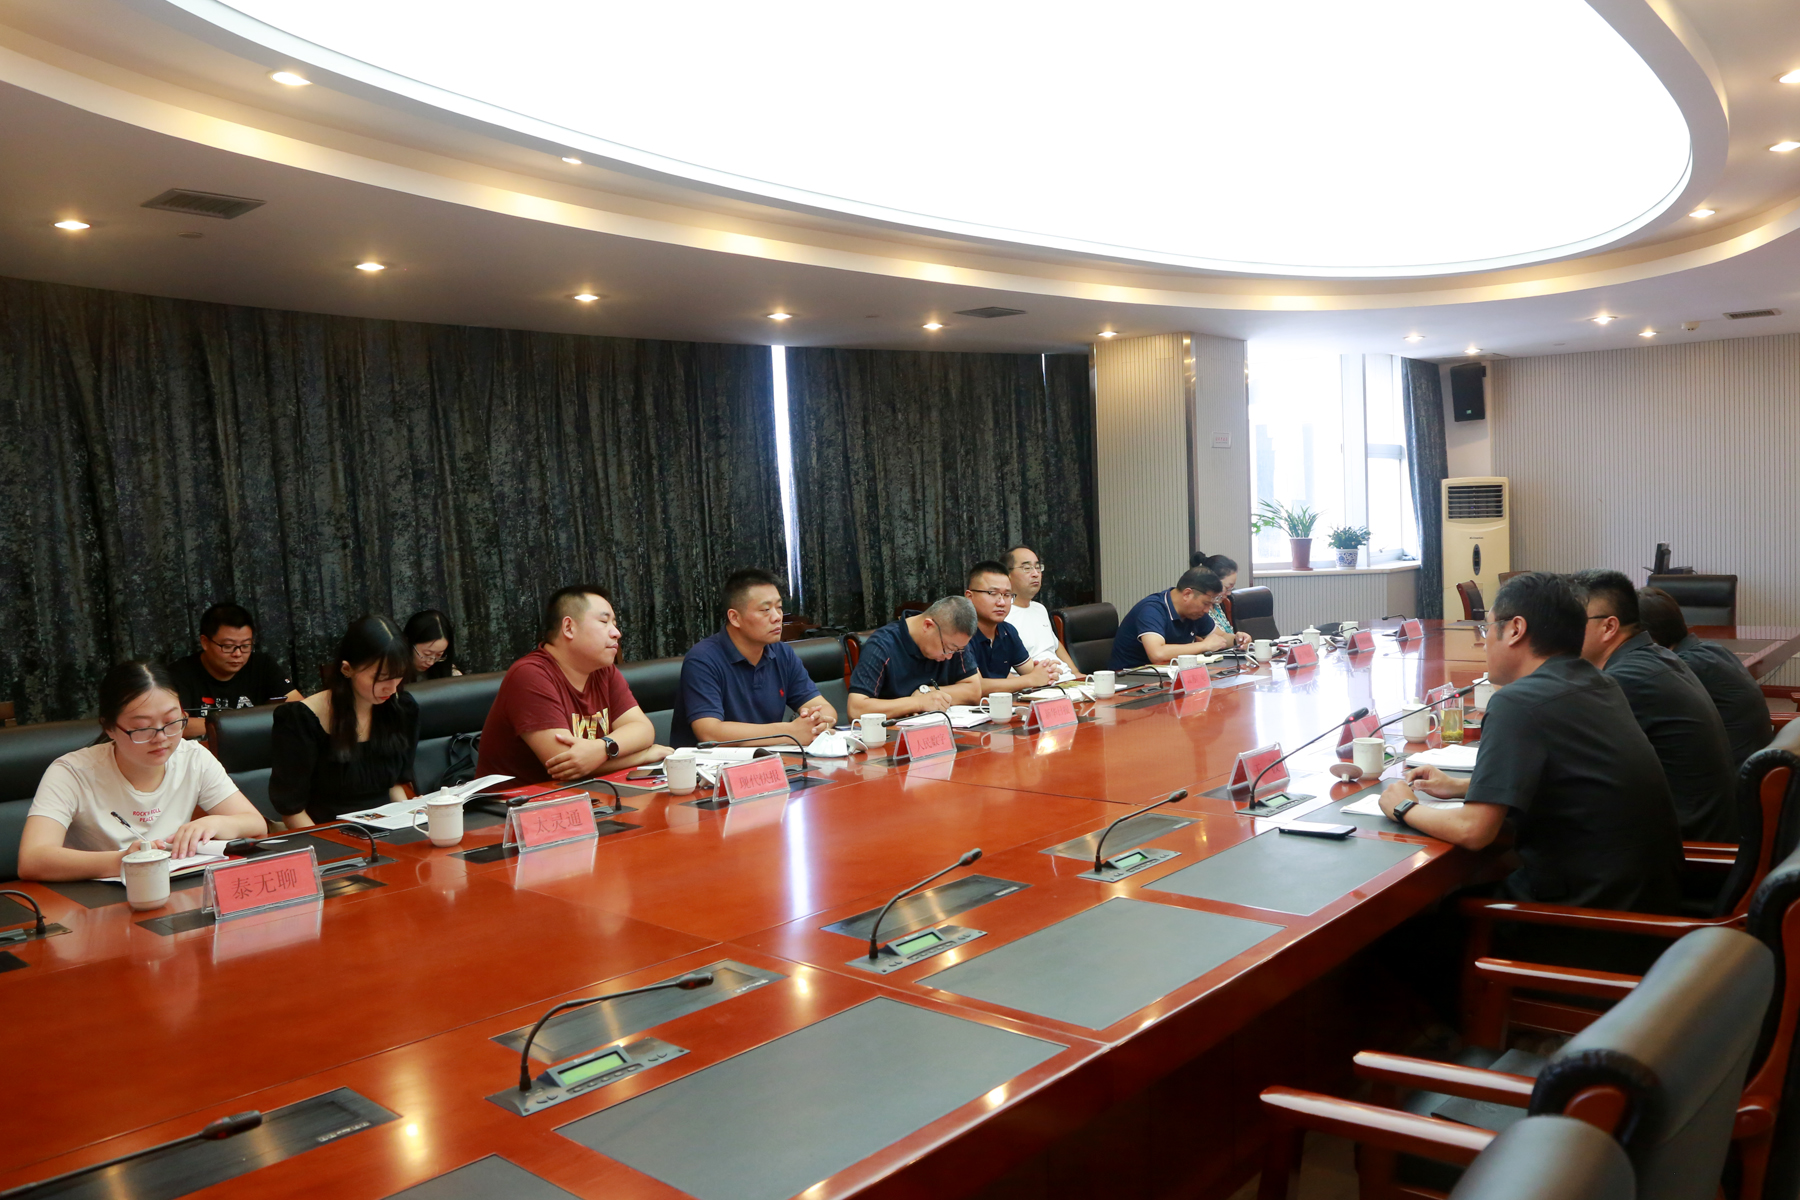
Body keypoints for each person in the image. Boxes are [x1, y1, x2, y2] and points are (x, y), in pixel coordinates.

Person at [1379, 573, 1682, 914]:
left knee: (1417, 922)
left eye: (1487, 629)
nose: (1484, 643)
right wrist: (1462, 787)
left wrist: (1404, 807)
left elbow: (1473, 831)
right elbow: (1571, 780)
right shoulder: (1599, 682)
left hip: (1588, 919)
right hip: (1643, 902)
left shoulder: (1517, 702)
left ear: (1515, 629)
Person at [19, 662, 267, 881]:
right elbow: (33, 859)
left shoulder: (192, 757)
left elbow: (256, 826)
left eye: (171, 722)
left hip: (173, 888)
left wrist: (216, 823)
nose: (161, 738)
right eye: (142, 728)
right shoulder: (72, 772)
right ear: (109, 728)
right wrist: (123, 861)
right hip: (94, 900)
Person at [1574, 570, 1738, 843]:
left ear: (1609, 627)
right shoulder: (1656, 656)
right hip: (1703, 827)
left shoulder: (1626, 679)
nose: (1562, 631)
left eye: (1573, 621)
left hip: (1690, 848)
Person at [477, 585, 667, 784]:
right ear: (568, 628)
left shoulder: (603, 670)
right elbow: (566, 765)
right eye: (604, 622)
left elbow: (642, 729)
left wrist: (601, 748)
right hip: (516, 801)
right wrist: (643, 756)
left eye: (614, 623)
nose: (616, 633)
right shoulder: (530, 675)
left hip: (585, 794)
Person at [269, 616, 422, 827]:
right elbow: (292, 811)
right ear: (347, 669)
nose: (392, 687)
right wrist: (326, 845)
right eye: (381, 678)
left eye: (399, 676)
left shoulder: (401, 708)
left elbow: (395, 785)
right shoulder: (300, 720)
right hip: (326, 832)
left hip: (387, 828)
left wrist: (410, 820)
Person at [672, 568, 835, 749]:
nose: (777, 617)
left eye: (779, 607)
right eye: (765, 610)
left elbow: (825, 708)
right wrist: (788, 732)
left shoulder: (782, 653)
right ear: (735, 618)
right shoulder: (702, 659)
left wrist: (817, 722)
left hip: (768, 759)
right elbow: (709, 732)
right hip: (710, 764)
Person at [1639, 587, 1772, 768]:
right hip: (1754, 766)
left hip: (1732, 776)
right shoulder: (1712, 649)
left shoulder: (1681, 669)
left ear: (1648, 637)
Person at [168, 603, 302, 739]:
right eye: (228, 646)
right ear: (205, 642)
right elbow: (173, 726)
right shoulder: (179, 674)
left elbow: (299, 709)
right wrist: (246, 723)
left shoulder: (262, 665)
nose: (238, 654)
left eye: (245, 645)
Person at [846, 596, 982, 719]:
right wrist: (917, 703)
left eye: (956, 650)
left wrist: (927, 692)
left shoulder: (954, 641)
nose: (950, 656)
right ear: (928, 626)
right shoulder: (882, 646)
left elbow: (974, 691)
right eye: (948, 649)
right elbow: (856, 709)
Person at [1109, 567, 1233, 670]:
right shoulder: (1152, 610)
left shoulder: (1194, 612)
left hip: (1168, 675)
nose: (1207, 610)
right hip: (1132, 680)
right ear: (1187, 594)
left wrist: (1237, 640)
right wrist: (1204, 646)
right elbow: (1157, 654)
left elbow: (1220, 637)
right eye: (1206, 603)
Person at [963, 561, 1053, 695]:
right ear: (970, 597)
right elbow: (975, 686)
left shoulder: (1007, 631)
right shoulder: (960, 634)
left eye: (1007, 595)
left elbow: (1032, 671)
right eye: (992, 593)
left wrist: (1047, 671)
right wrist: (1031, 680)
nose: (1001, 602)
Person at [1001, 546, 1078, 681]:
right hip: (1037, 684)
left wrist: (1076, 674)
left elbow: (1056, 646)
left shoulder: (1040, 609)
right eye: (1027, 568)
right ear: (1007, 575)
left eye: (1038, 567)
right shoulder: (1002, 614)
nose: (1035, 574)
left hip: (1066, 680)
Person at [1190, 551, 1253, 652]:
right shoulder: (1196, 609)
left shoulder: (1218, 605)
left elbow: (1222, 636)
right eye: (1227, 588)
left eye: (1231, 589)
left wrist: (1237, 639)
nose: (1229, 593)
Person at [404, 609, 463, 679]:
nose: (431, 662)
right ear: (408, 643)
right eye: (427, 654)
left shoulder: (452, 676)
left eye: (439, 655)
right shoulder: (394, 677)